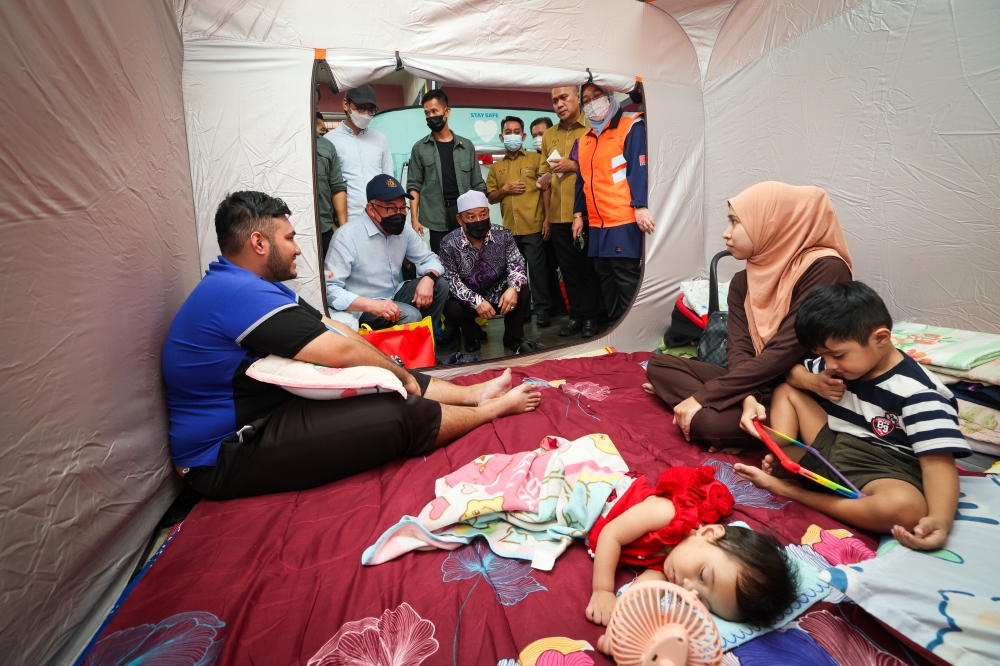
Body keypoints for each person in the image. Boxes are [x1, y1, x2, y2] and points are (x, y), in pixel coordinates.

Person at [162, 191, 542, 500]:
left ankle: (474, 394)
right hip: (222, 456)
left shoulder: (260, 287)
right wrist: (396, 375)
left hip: (270, 412)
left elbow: (333, 330)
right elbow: (340, 352)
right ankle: (491, 411)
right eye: (290, 238)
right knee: (398, 410)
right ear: (258, 242)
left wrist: (392, 368)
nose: (297, 249)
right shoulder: (236, 292)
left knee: (388, 371)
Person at [734, 282, 970, 551]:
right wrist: (812, 381)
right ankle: (785, 455)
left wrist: (939, 520)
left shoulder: (919, 394)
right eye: (822, 355)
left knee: (906, 509)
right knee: (787, 391)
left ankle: (792, 489)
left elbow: (938, 464)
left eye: (838, 355)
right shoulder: (836, 364)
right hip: (832, 445)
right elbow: (791, 373)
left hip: (887, 470)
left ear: (881, 338)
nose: (830, 364)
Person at [644, 182, 854, 452]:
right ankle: (740, 411)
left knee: (704, 421)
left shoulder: (826, 268)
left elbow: (785, 349)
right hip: (757, 380)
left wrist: (704, 396)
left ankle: (764, 424)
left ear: (772, 224)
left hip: (799, 389)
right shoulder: (744, 280)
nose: (726, 234)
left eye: (734, 223)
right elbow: (739, 346)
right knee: (659, 365)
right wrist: (747, 396)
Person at [585, 465, 797, 648]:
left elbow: (641, 595)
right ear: (709, 533)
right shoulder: (668, 514)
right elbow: (611, 535)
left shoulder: (675, 567)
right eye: (703, 575)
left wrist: (622, 632)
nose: (689, 588)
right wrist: (602, 590)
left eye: (703, 600)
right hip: (593, 481)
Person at [573, 84, 654, 325]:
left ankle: (633, 330)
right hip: (597, 223)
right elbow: (581, 180)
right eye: (586, 100)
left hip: (623, 218)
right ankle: (614, 328)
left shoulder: (630, 125)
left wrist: (640, 205)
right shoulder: (584, 140)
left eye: (597, 96)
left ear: (610, 96)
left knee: (625, 278)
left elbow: (639, 168)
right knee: (605, 278)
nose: (592, 103)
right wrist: (578, 213)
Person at [325, 174, 449, 330]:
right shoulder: (347, 236)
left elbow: (431, 259)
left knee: (440, 285)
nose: (399, 214)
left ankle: (424, 344)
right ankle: (401, 351)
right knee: (411, 316)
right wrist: (372, 305)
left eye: (403, 208)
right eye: (391, 208)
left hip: (392, 296)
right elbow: (330, 290)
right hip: (363, 307)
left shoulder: (404, 231)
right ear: (371, 209)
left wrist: (429, 278)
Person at [538, 86, 604, 338]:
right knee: (568, 271)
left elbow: (599, 165)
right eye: (555, 100)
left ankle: (591, 318)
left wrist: (573, 165)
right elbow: (549, 171)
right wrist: (542, 180)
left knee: (588, 269)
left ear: (578, 99)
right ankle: (575, 317)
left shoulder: (593, 126)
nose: (559, 104)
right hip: (557, 216)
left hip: (585, 214)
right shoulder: (549, 135)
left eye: (564, 98)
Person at [439, 191, 533, 354]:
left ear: (488, 213)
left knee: (523, 291)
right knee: (451, 306)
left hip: (499, 297)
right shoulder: (448, 244)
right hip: (469, 301)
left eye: (483, 214)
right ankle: (472, 335)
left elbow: (516, 263)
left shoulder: (503, 235)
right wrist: (476, 301)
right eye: (471, 217)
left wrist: (513, 288)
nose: (478, 221)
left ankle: (512, 336)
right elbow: (451, 281)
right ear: (460, 220)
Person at [486, 116, 552, 328]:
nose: (512, 135)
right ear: (501, 136)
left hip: (533, 225)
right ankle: (522, 312)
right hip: (509, 232)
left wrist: (547, 219)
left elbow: (546, 189)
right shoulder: (497, 168)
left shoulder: (535, 160)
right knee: (516, 275)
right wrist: (505, 190)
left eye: (516, 131)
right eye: (508, 131)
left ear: (523, 136)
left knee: (538, 272)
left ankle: (543, 311)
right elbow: (491, 197)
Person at [406, 89, 486, 254]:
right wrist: (414, 219)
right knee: (441, 265)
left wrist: (481, 214)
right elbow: (414, 185)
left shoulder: (467, 146)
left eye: (434, 111)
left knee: (471, 262)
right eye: (427, 113)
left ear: (447, 111)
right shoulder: (419, 148)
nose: (430, 116)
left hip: (466, 214)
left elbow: (478, 183)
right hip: (436, 216)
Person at [323, 85, 395, 228]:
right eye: (361, 108)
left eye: (371, 110)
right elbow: (325, 188)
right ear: (345, 104)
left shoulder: (380, 139)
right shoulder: (329, 140)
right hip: (346, 221)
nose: (366, 114)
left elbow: (388, 179)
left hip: (379, 219)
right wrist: (333, 226)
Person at [315, 112, 348, 259]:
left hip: (324, 227)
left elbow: (337, 187)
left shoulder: (326, 146)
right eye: (323, 130)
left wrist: (341, 230)